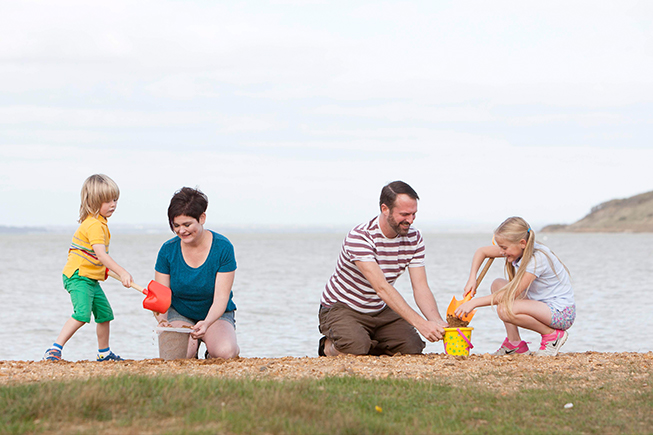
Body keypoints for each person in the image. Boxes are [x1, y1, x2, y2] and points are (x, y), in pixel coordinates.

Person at [318, 181, 448, 356]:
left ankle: (368, 341)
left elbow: (420, 287)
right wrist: (421, 323)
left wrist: (436, 321)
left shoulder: (415, 238)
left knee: (412, 348)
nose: (410, 220)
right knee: (354, 348)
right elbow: (381, 287)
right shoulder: (361, 237)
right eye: (404, 214)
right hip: (342, 306)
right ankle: (329, 345)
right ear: (385, 209)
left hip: (380, 309)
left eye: (413, 214)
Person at [455, 217, 575, 357]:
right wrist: (472, 278)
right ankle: (515, 344)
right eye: (500, 247)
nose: (501, 252)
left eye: (504, 248)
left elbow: (509, 294)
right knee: (497, 284)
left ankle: (552, 336)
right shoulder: (519, 248)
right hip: (541, 305)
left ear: (522, 243)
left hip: (561, 313)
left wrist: (473, 303)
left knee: (505, 309)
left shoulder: (537, 259)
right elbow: (482, 251)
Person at [44, 174, 133, 362]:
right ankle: (54, 349)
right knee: (82, 314)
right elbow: (101, 255)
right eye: (107, 201)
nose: (113, 205)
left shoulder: (99, 223)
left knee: (105, 314)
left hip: (90, 277)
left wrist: (104, 270)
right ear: (93, 202)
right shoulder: (93, 225)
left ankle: (104, 353)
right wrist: (122, 272)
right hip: (78, 276)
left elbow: (93, 257)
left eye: (115, 199)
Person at [154, 187, 239, 359]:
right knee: (175, 357)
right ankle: (192, 351)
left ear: (202, 218)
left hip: (215, 316)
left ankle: (210, 347)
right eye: (176, 225)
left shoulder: (223, 247)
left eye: (187, 224)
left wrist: (207, 323)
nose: (181, 231)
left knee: (225, 353)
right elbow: (161, 296)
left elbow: (221, 298)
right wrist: (162, 320)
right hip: (180, 313)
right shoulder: (167, 250)